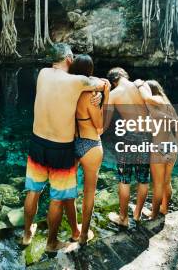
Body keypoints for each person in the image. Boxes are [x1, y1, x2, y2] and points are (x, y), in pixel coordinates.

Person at [22, 43, 109, 252]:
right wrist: (104, 91)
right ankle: (52, 243)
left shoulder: (42, 73)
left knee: (33, 191)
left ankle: (26, 234)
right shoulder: (77, 81)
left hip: (37, 142)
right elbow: (102, 82)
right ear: (69, 59)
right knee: (58, 198)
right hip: (60, 148)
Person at [103, 67, 161, 227]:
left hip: (127, 139)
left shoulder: (113, 94)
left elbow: (104, 124)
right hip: (145, 137)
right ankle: (136, 215)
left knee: (124, 180)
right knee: (143, 179)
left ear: (113, 82)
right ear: (124, 76)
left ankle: (123, 219)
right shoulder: (142, 86)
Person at [68, 54, 110, 245]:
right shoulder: (91, 96)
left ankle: (74, 230)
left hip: (71, 143)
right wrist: (105, 96)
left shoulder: (66, 91)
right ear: (90, 72)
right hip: (91, 144)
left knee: (69, 190)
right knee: (89, 193)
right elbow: (100, 126)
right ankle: (84, 235)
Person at [136, 79, 178, 220]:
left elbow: (146, 97)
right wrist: (177, 144)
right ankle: (164, 208)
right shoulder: (167, 104)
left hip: (159, 148)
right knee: (167, 181)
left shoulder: (154, 100)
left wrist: (139, 85)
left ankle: (153, 214)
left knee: (158, 185)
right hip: (172, 147)